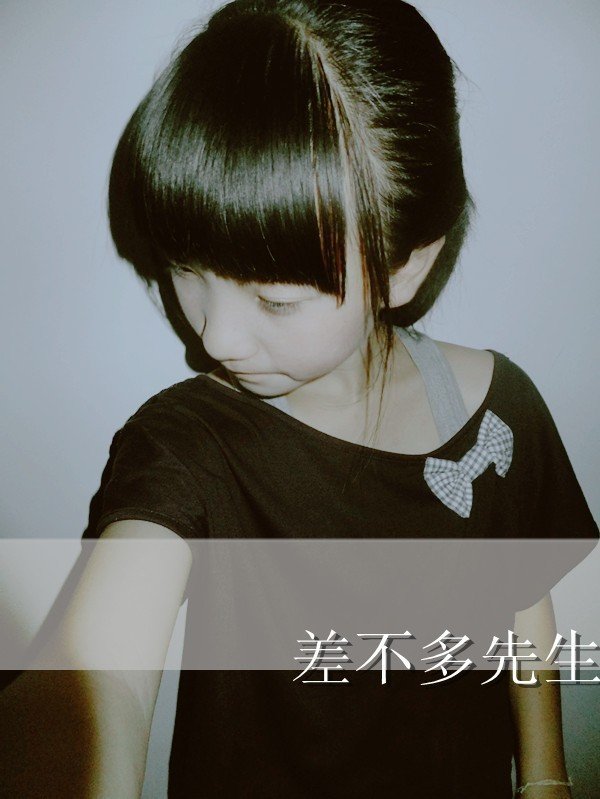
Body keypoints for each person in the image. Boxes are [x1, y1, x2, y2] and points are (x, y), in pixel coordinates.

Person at [0, 1, 597, 798]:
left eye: (274, 299)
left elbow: (522, 592)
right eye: (186, 268)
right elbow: (97, 677)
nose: (214, 337)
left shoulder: (497, 410)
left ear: (407, 266)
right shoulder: (185, 442)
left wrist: (546, 777)